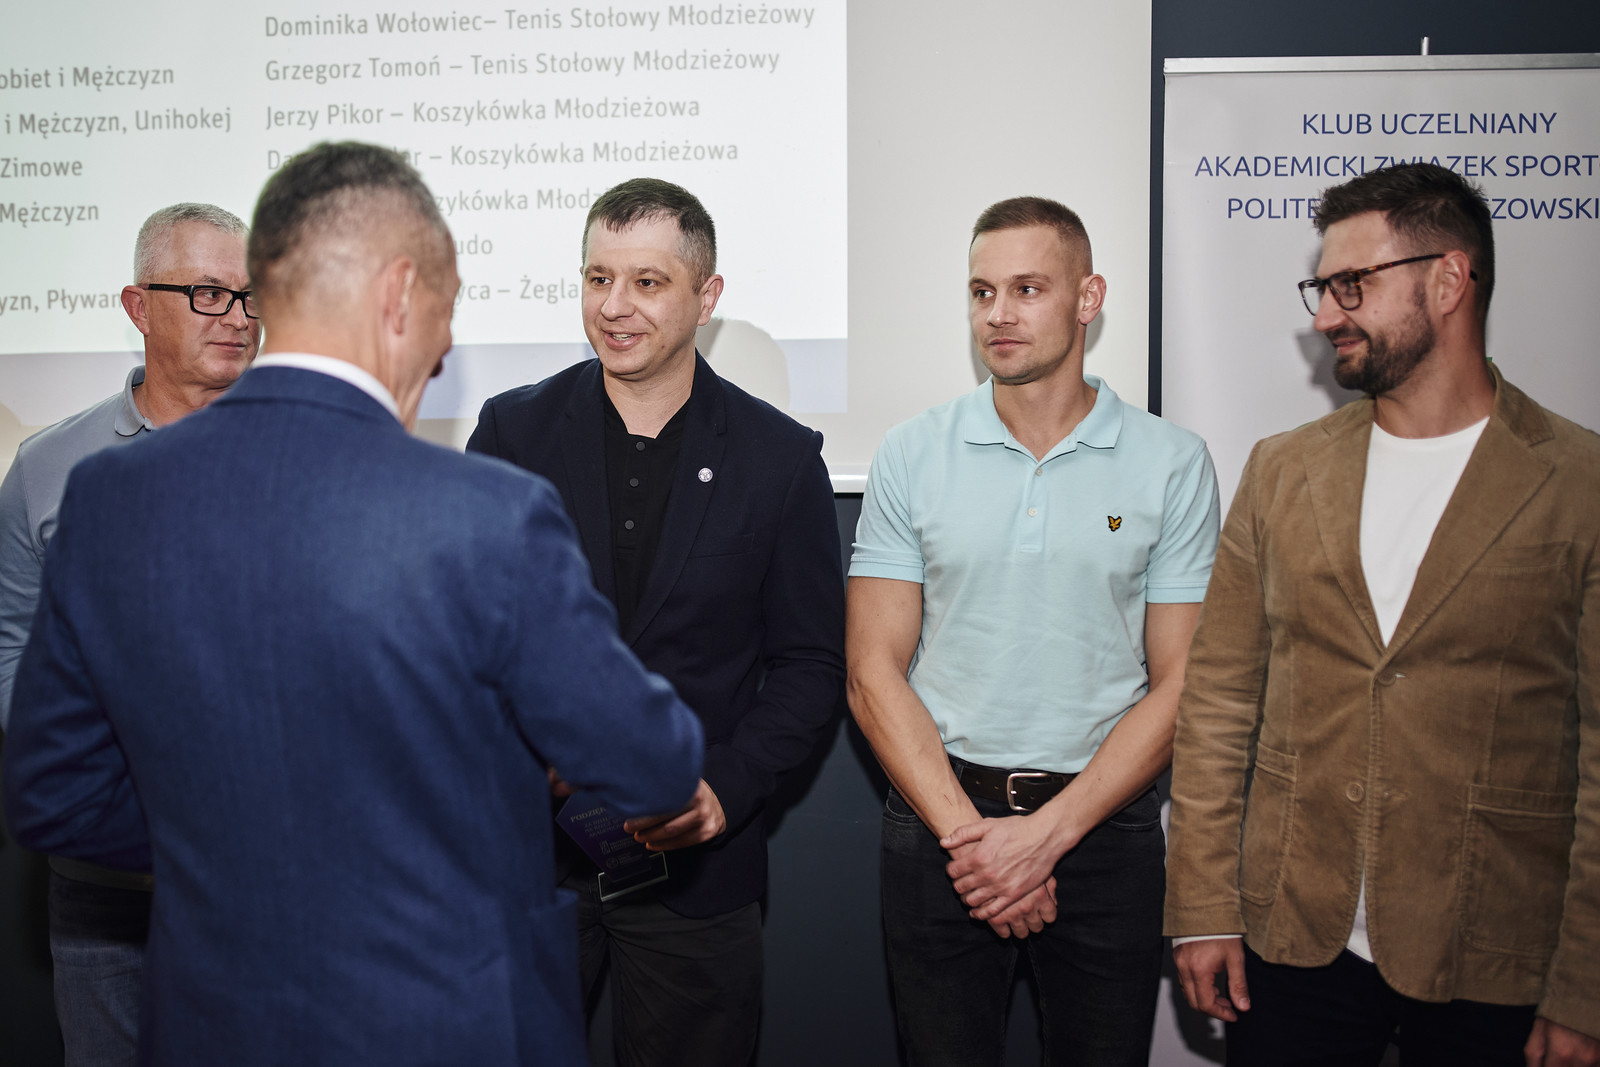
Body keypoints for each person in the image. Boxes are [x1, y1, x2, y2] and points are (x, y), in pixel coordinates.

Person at [2, 141, 705, 1066]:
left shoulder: (106, 497)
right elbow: (654, 762)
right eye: (448, 310)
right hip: (444, 1017)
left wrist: (232, 842)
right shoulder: (489, 515)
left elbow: (51, 794)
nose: (445, 348)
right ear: (400, 294)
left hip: (213, 1015)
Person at [1165, 162, 1600, 1067]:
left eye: (1352, 285)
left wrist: (1586, 985)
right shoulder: (1281, 469)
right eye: (1323, 289)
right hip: (1292, 940)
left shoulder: (1579, 482)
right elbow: (1217, 703)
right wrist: (1203, 905)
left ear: (1448, 280)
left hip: (1495, 950)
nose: (1326, 315)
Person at [468, 177, 844, 1067]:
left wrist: (723, 790)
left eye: (646, 282)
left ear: (706, 298)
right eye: (598, 278)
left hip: (697, 871)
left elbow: (810, 666)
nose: (614, 306)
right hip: (527, 861)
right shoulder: (513, 431)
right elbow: (465, 633)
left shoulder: (781, 458)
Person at [847, 196, 1220, 1065]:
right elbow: (871, 671)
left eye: (1026, 289)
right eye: (981, 292)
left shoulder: (1171, 462)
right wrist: (977, 845)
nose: (998, 315)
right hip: (942, 824)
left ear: (1089, 298)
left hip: (1105, 831)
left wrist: (1046, 837)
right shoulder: (911, 451)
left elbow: (1184, 683)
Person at [0, 201, 260, 1066]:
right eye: (209, 293)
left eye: (252, 295)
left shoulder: (308, 457)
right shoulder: (49, 466)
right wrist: (88, 770)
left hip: (263, 878)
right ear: (138, 306)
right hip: (102, 887)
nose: (238, 317)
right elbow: (10, 642)